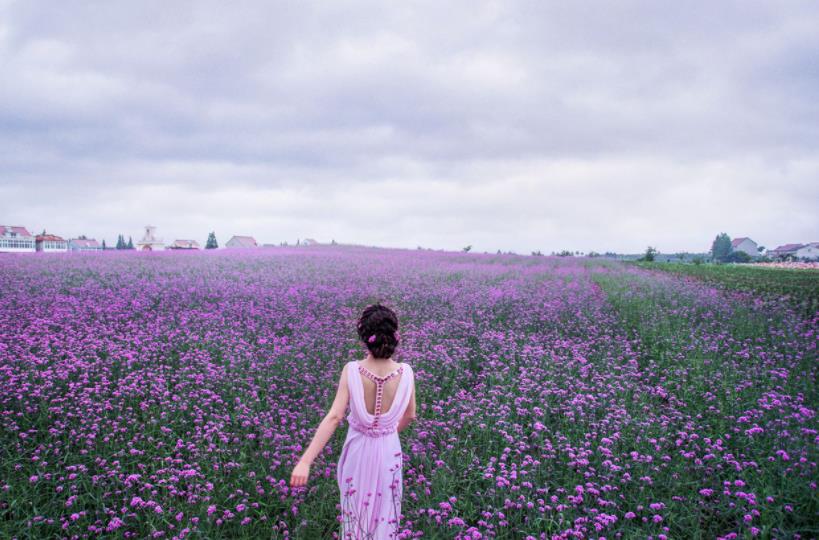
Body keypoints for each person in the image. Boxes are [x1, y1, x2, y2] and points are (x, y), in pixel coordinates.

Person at [290, 303, 417, 539]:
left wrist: (305, 461)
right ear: (393, 335)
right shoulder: (406, 372)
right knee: (386, 513)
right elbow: (410, 415)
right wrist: (387, 434)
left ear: (364, 336)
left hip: (358, 452)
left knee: (355, 514)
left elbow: (335, 416)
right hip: (390, 452)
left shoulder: (352, 370)